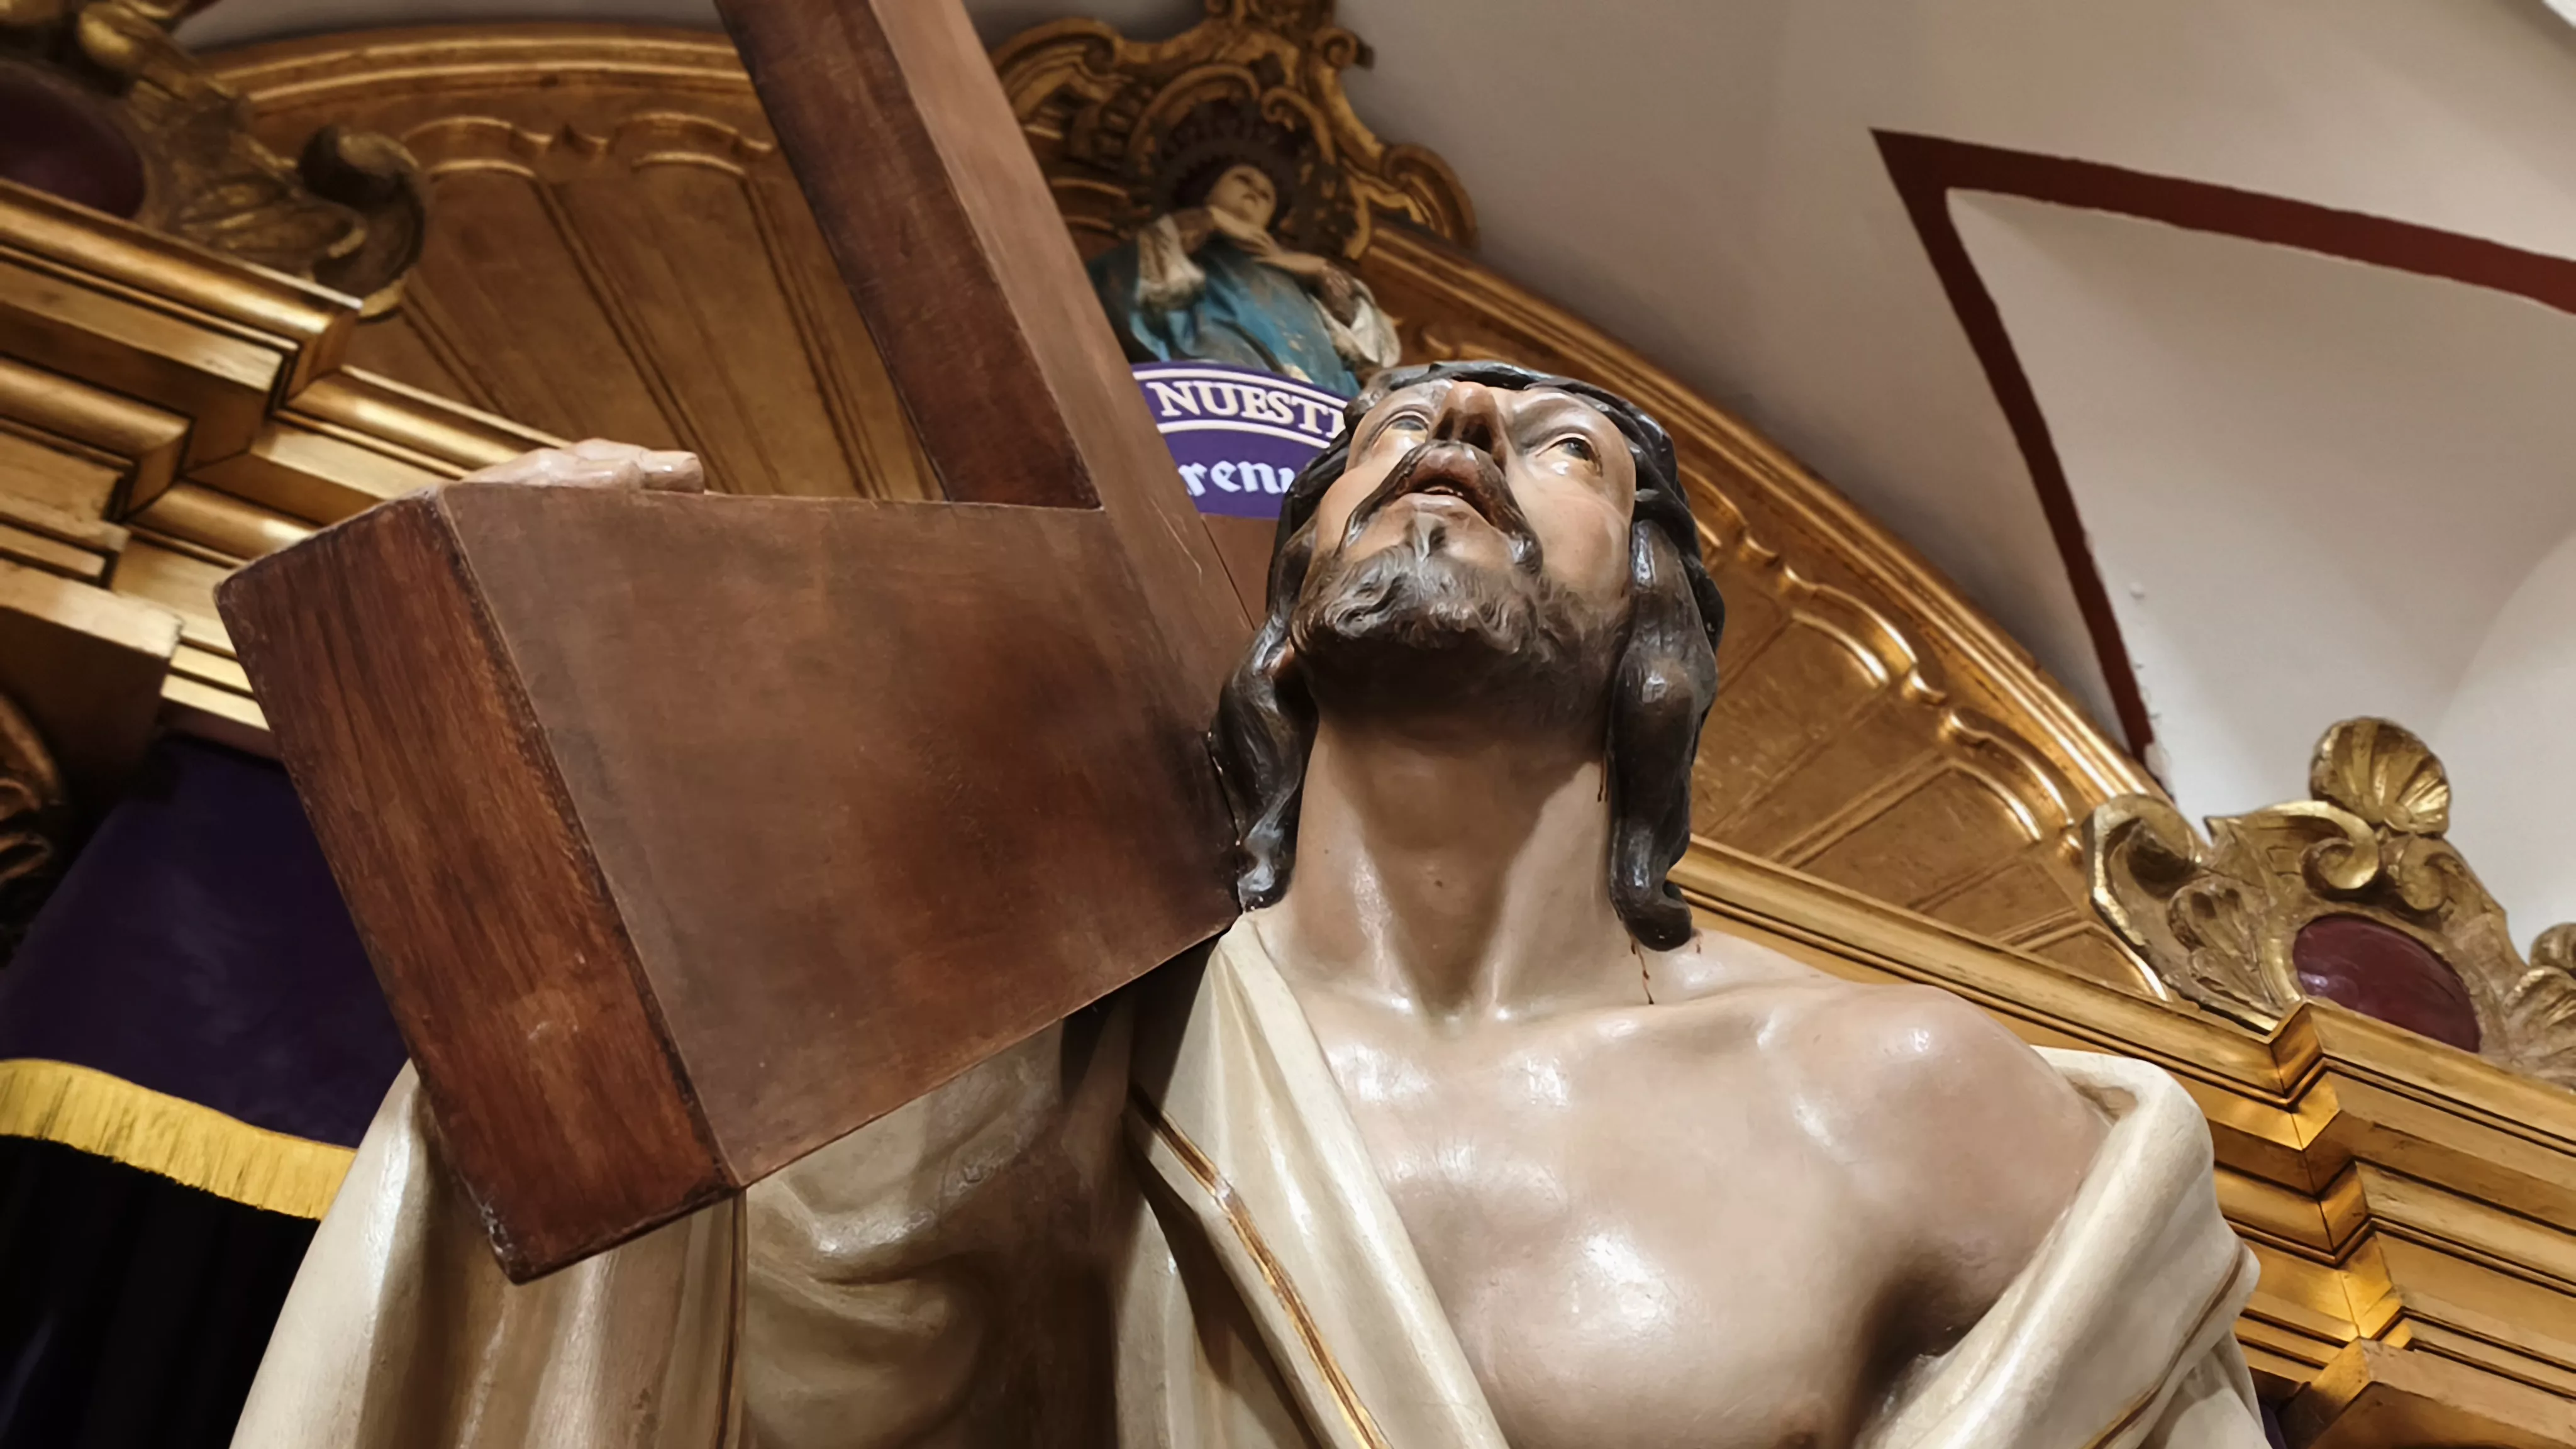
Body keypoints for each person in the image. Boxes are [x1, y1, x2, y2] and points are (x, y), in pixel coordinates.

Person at [235, 367, 2266, 1449]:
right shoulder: (1066, 1057)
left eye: (1557, 443)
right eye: (1382, 432)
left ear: (1658, 633)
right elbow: (689, 1346)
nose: (1448, 430)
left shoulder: (1888, 1093)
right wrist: (563, 751)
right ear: (1284, 613)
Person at [1090, 158, 1399, 396]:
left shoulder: (1297, 279)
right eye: (1243, 179)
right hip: (1223, 382)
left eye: (1266, 195)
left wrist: (1322, 271)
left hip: (1316, 396)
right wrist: (1208, 219)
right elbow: (1131, 285)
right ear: (1210, 188)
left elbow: (1370, 353)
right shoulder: (1183, 247)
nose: (1254, 193)